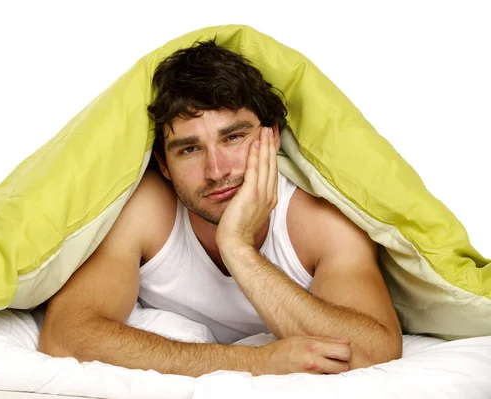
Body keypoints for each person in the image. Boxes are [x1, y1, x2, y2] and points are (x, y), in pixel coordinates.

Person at [39, 39, 402, 377]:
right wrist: (256, 361)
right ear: (163, 165)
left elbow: (374, 352)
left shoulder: (318, 221)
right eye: (189, 149)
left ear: (271, 137)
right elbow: (65, 337)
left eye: (233, 137)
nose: (217, 171)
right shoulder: (146, 210)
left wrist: (238, 249)